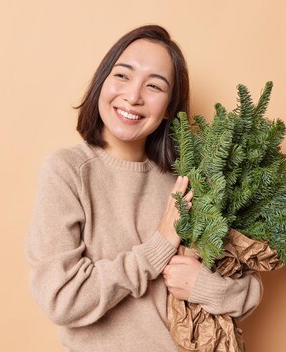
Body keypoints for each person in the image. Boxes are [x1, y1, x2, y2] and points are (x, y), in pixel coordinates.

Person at [25, 25, 263, 351]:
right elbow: (62, 298)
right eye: (122, 76)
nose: (134, 96)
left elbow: (248, 288)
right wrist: (159, 246)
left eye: (154, 85)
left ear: (168, 109)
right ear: (102, 83)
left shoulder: (188, 179)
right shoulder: (67, 172)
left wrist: (202, 285)